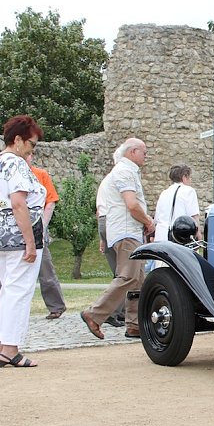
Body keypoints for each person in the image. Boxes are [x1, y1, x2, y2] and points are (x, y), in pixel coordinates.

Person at [0, 115, 46, 367]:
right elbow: (19, 202)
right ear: (19, 140)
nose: (33, 149)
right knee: (19, 292)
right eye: (32, 144)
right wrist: (30, 242)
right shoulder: (17, 164)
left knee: (9, 290)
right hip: (18, 235)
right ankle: (11, 348)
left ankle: (0, 346)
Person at [80, 138, 155, 340]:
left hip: (127, 230)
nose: (146, 155)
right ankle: (94, 314)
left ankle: (134, 325)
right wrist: (148, 221)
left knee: (138, 281)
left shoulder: (124, 172)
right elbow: (131, 205)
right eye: (143, 151)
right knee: (129, 276)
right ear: (132, 152)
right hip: (126, 231)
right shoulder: (125, 172)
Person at [0, 151, 67, 320]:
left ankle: (56, 306)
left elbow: (50, 201)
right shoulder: (6, 175)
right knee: (4, 272)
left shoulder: (40, 175)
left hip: (35, 226)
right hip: (12, 229)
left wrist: (42, 225)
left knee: (45, 268)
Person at [95, 145, 127, 327]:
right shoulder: (121, 177)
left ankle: (121, 311)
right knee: (125, 273)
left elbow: (100, 210)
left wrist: (103, 237)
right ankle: (109, 311)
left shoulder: (106, 181)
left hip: (105, 222)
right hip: (116, 222)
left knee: (121, 271)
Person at [154, 164, 202, 243]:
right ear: (184, 177)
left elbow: (157, 218)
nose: (190, 180)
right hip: (179, 236)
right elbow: (194, 216)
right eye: (189, 177)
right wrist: (199, 236)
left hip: (160, 236)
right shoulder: (189, 191)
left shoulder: (164, 193)